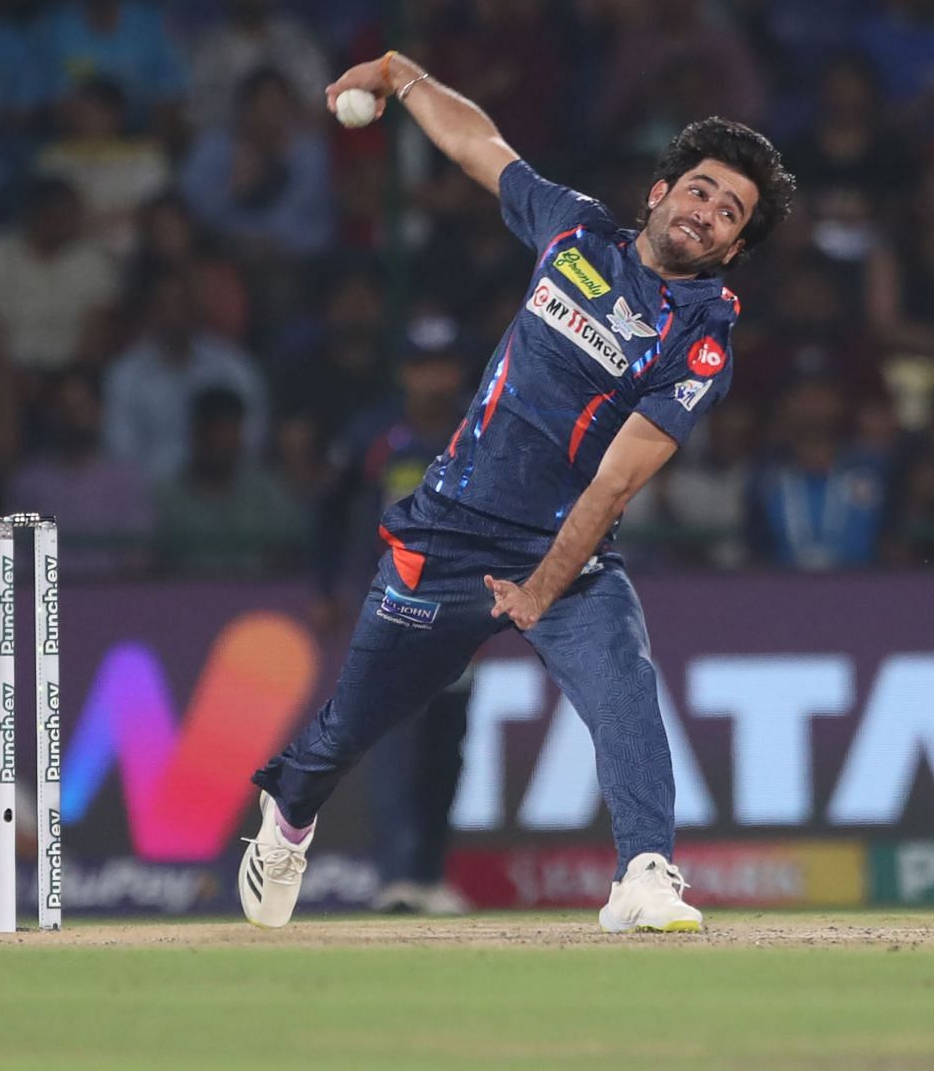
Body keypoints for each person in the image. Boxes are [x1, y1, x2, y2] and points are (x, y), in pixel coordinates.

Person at [240, 51, 794, 935]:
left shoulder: (700, 339)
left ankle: (645, 873)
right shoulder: (575, 233)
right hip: (446, 537)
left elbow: (617, 480)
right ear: (658, 193)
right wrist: (400, 74)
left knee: (625, 685)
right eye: (699, 190)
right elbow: (480, 147)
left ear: (731, 251)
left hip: (564, 557)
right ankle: (287, 820)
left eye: (730, 214)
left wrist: (541, 587)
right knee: (346, 731)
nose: (707, 212)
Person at [316, 315, 475, 915]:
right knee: (395, 745)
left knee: (447, 749)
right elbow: (328, 513)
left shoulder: (479, 427)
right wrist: (325, 585)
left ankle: (430, 876)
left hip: (462, 612)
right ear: (404, 372)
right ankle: (396, 877)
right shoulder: (374, 435)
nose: (433, 379)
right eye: (421, 366)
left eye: (444, 366)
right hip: (389, 609)